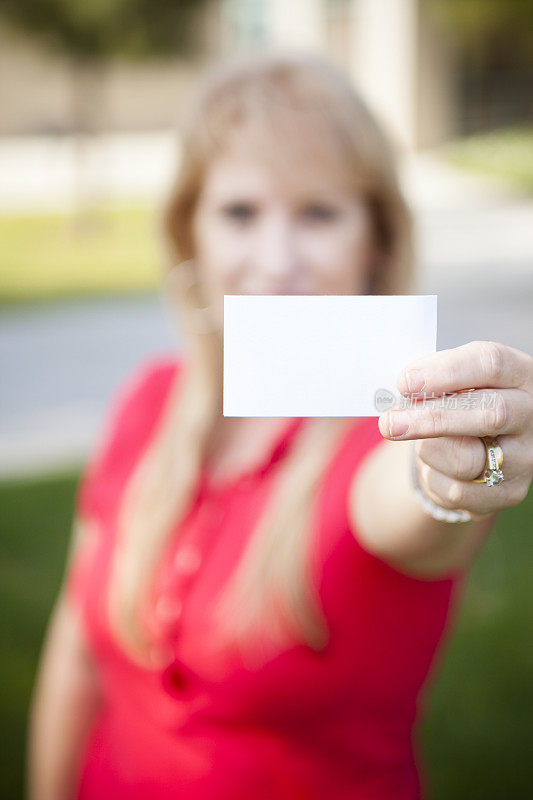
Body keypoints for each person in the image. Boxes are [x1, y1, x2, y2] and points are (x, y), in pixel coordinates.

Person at [26, 51, 533, 800]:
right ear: (190, 235)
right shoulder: (148, 402)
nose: (275, 259)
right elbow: (75, 653)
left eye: (318, 213)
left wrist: (456, 470)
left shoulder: (383, 431)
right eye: (239, 213)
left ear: (376, 245)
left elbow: (417, 499)